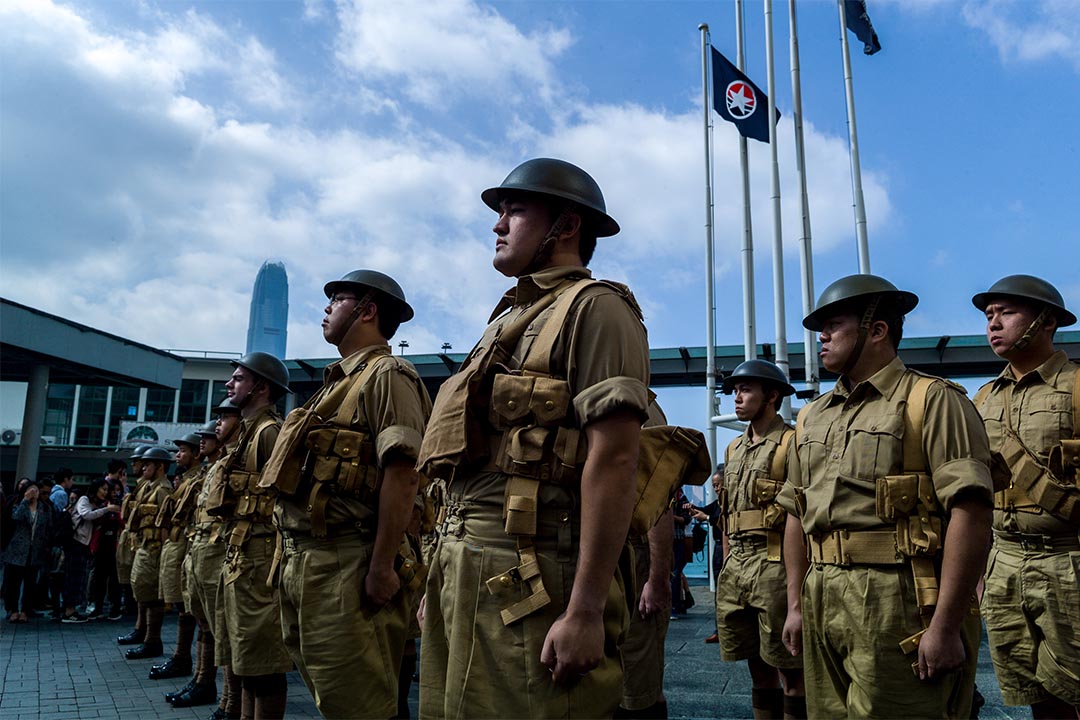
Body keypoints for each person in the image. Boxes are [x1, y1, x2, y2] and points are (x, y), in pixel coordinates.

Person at [417, 157, 650, 718]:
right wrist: (437, 576)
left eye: (515, 211)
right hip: (463, 561)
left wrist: (587, 611)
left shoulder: (597, 309)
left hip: (539, 569)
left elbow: (615, 459)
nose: (498, 225)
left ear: (566, 226)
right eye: (500, 212)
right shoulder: (505, 323)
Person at [777, 274, 994, 718]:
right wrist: (796, 605)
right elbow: (795, 514)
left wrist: (946, 626)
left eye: (834, 325)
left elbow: (970, 513)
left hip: (898, 595)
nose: (822, 336)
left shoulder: (931, 400)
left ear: (877, 330)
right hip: (822, 589)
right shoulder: (813, 416)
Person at [262, 269, 432, 719]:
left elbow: (404, 473)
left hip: (348, 562)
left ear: (367, 310)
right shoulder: (334, 385)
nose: (326, 308)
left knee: (360, 705)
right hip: (310, 561)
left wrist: (380, 567)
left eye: (337, 299)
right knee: (334, 698)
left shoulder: (389, 374)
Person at [970, 275, 1080, 719]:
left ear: (1047, 320)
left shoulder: (1075, 386)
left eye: (1007, 313)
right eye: (989, 316)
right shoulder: (981, 398)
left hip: (1069, 559)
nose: (993, 324)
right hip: (1004, 562)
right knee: (1036, 695)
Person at [713, 359, 804, 719]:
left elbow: (801, 515)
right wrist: (725, 565)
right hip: (737, 567)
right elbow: (727, 514)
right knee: (757, 669)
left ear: (772, 396)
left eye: (746, 389)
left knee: (790, 670)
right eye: (735, 389)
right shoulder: (733, 449)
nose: (737, 396)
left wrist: (796, 597)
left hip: (776, 567)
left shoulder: (792, 442)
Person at [205, 352, 291, 720]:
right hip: (243, 557)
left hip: (260, 561)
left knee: (264, 666)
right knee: (247, 664)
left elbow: (287, 500)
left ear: (261, 386)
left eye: (239, 378)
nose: (229, 384)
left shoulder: (270, 432)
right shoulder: (249, 432)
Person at [170, 407, 242, 718]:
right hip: (200, 548)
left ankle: (229, 699)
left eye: (209, 435)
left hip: (217, 551)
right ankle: (203, 680)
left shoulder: (232, 463)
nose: (203, 441)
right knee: (205, 623)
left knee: (223, 629)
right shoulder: (211, 469)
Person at [148, 432, 203, 681]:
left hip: (186, 544)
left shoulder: (198, 479)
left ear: (196, 454)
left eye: (183, 451)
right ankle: (181, 657)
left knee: (187, 605)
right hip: (176, 542)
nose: (177, 455)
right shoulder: (184, 480)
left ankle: (183, 659)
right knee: (180, 603)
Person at [126, 446, 175, 658]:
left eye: (148, 464)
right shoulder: (150, 486)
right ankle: (145, 635)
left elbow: (166, 523)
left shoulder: (163, 489)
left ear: (160, 467)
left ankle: (152, 640)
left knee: (152, 596)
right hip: (145, 544)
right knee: (143, 591)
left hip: (154, 548)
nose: (143, 466)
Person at [61, 479, 121, 622]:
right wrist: (107, 509)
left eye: (107, 490)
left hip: (84, 545)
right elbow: (86, 514)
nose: (105, 493)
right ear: (96, 488)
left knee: (79, 578)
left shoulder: (96, 504)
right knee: (73, 577)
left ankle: (73, 610)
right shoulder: (84, 499)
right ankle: (69, 611)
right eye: (103, 489)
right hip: (76, 543)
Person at [117, 444, 153, 642]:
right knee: (138, 587)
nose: (135, 465)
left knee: (146, 591)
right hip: (138, 541)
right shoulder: (141, 485)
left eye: (139, 462)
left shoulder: (156, 487)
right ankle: (141, 629)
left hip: (149, 544)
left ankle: (146, 633)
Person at [3, 480, 52, 623]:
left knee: (30, 582)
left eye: (35, 490)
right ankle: (12, 609)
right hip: (18, 549)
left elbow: (48, 526)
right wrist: (25, 500)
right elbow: (16, 517)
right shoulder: (18, 505)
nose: (34, 493)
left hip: (35, 549)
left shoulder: (44, 508)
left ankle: (25, 609)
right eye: (31, 490)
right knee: (14, 582)